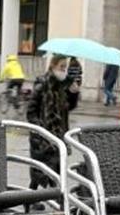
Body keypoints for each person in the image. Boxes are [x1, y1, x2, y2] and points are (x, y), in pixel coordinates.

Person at [26, 53, 80, 190]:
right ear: (53, 66)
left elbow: (69, 107)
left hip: (58, 135)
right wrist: (40, 130)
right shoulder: (42, 84)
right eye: (61, 66)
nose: (64, 70)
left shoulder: (64, 86)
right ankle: (33, 201)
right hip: (43, 138)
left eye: (65, 67)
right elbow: (30, 111)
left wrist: (74, 93)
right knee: (41, 172)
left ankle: (55, 199)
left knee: (54, 170)